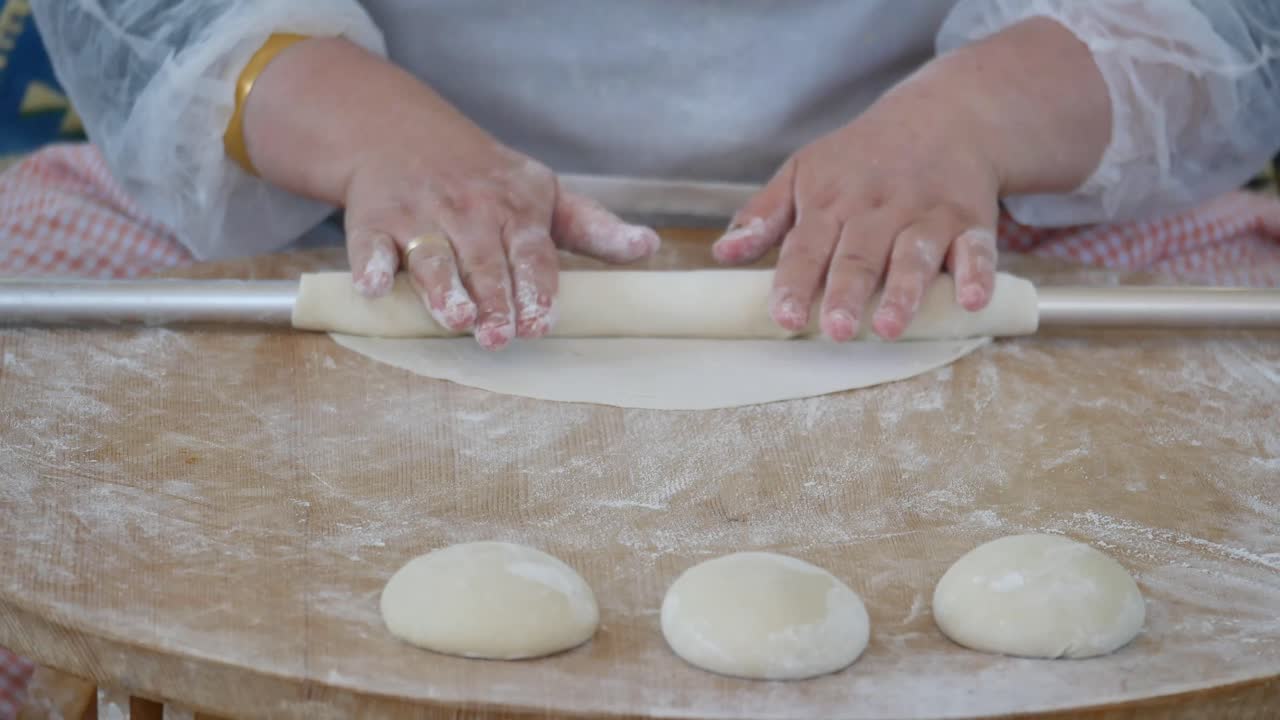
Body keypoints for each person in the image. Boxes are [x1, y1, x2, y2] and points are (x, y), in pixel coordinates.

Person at [27, 1, 1280, 350]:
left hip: (984, 204)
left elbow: (1226, 20)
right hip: (343, 202)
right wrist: (366, 136)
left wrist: (971, 119)